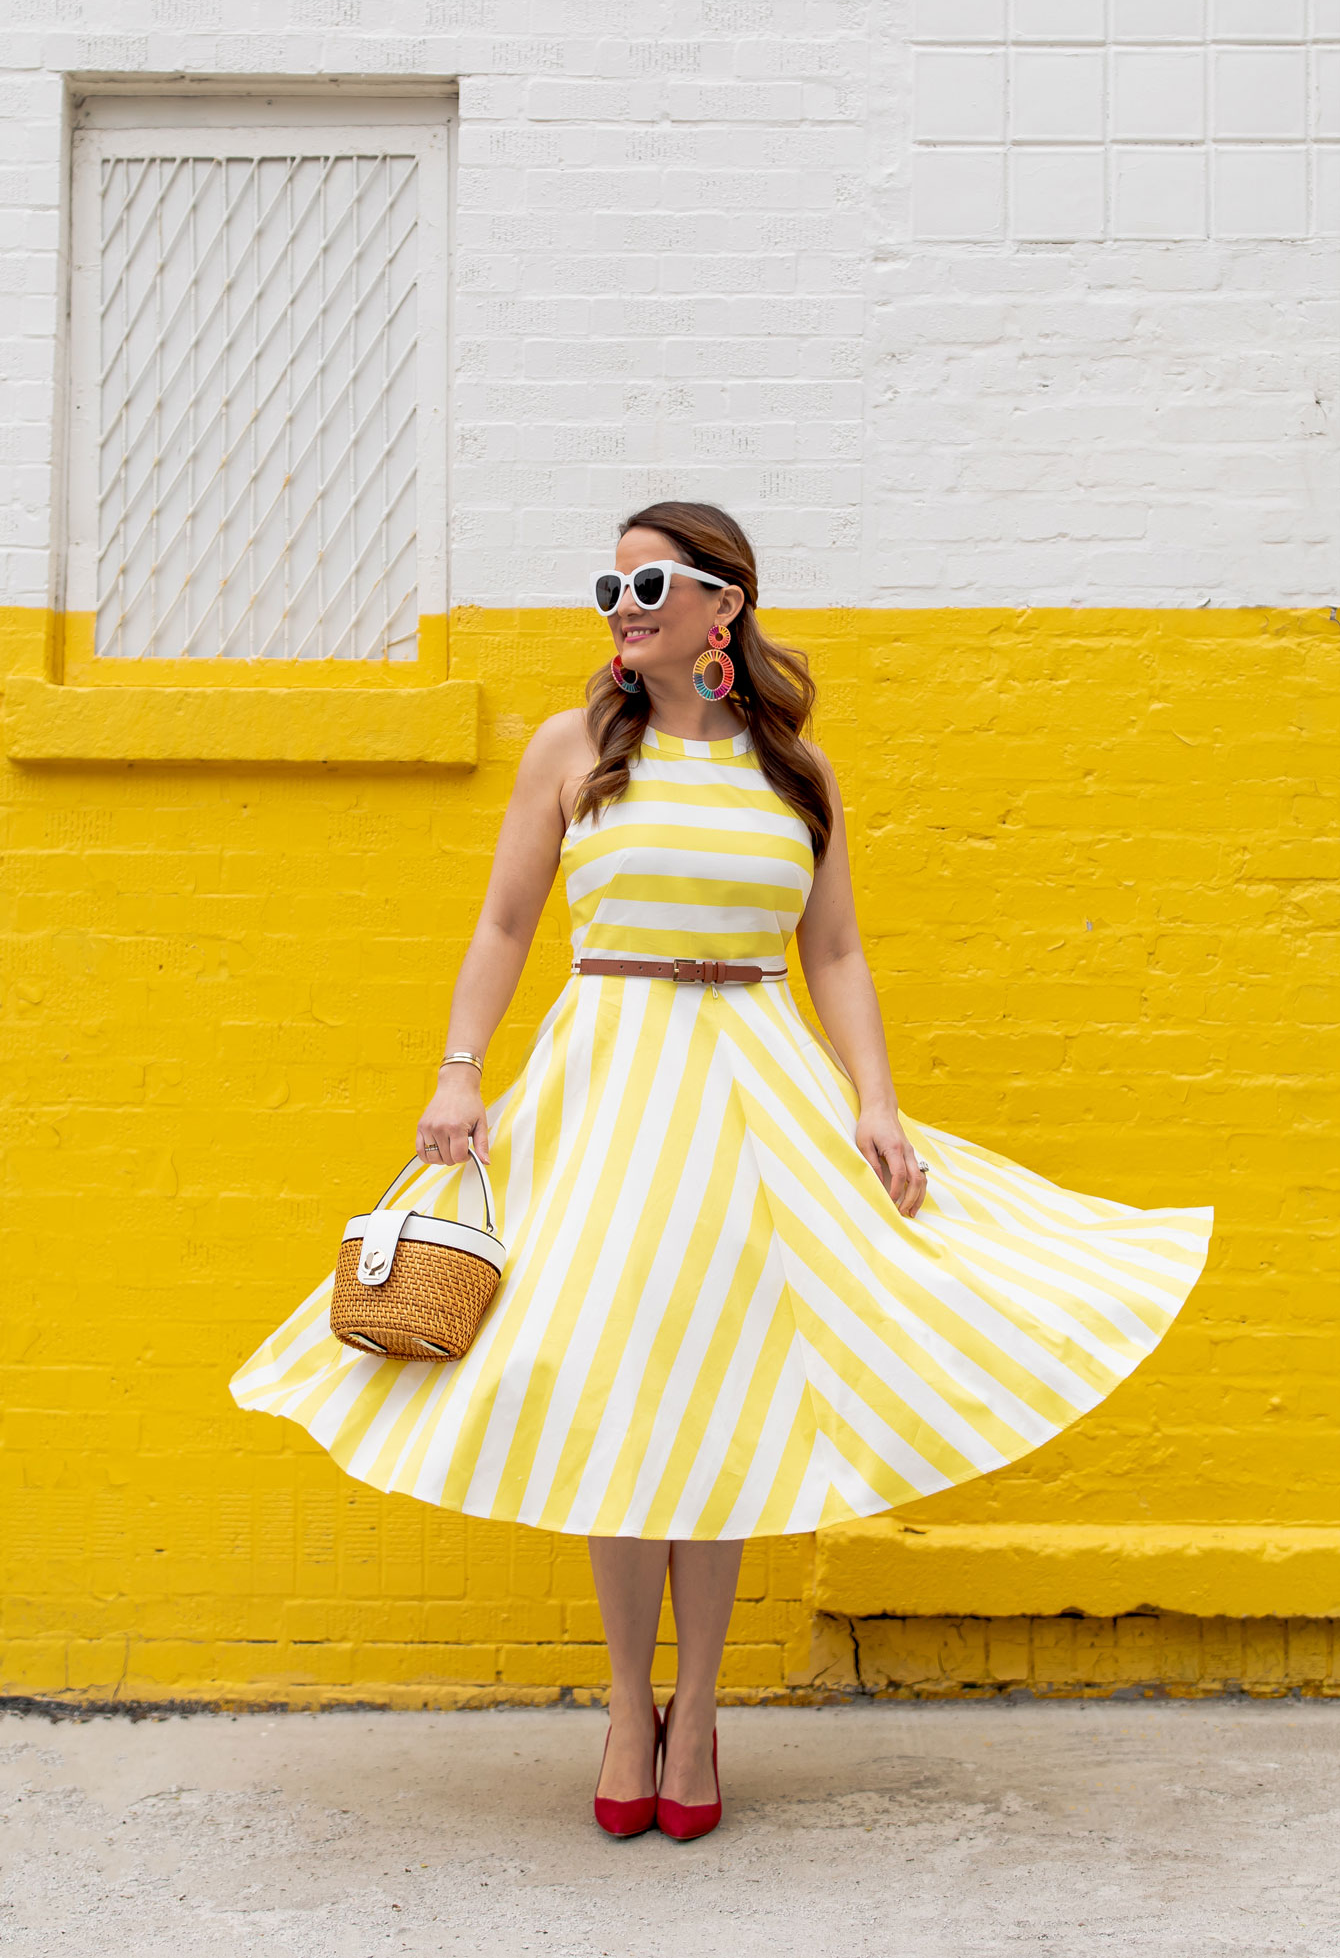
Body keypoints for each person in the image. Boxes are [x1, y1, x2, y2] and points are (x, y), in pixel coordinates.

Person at [231, 500, 1213, 1842]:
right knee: (622, 1391)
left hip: (759, 1093)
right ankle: (628, 1703)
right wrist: (459, 1069)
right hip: (612, 1084)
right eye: (609, 585)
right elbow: (509, 920)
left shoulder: (792, 767)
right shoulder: (572, 748)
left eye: (648, 581)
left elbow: (840, 955)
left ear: (722, 603)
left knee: (722, 1390)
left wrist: (876, 1099)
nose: (622, 604)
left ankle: (697, 1710)